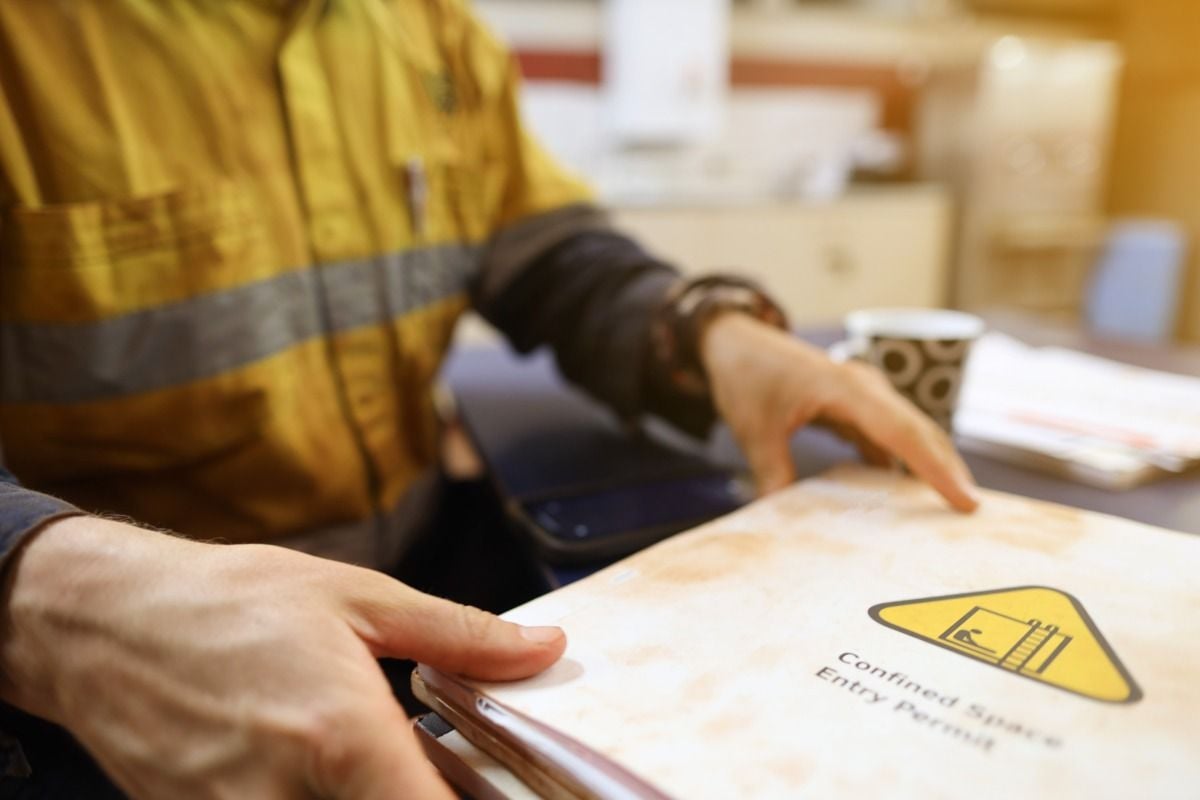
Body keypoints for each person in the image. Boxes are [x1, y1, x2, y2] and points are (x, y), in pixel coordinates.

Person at [0, 1, 979, 797]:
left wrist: (712, 331)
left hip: (422, 585)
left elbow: (546, 251)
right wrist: (59, 599)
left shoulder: (436, 31)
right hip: (102, 692)